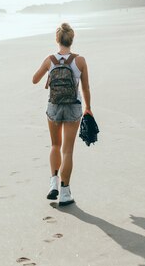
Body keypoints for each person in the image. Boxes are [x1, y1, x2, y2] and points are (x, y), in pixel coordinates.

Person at [32, 23, 92, 206]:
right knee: (68, 150)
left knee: (55, 145)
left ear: (57, 40)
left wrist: (50, 75)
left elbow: (34, 79)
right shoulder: (79, 60)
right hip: (74, 107)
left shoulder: (50, 59)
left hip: (54, 106)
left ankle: (53, 183)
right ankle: (65, 192)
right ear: (71, 40)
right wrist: (88, 108)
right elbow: (86, 87)